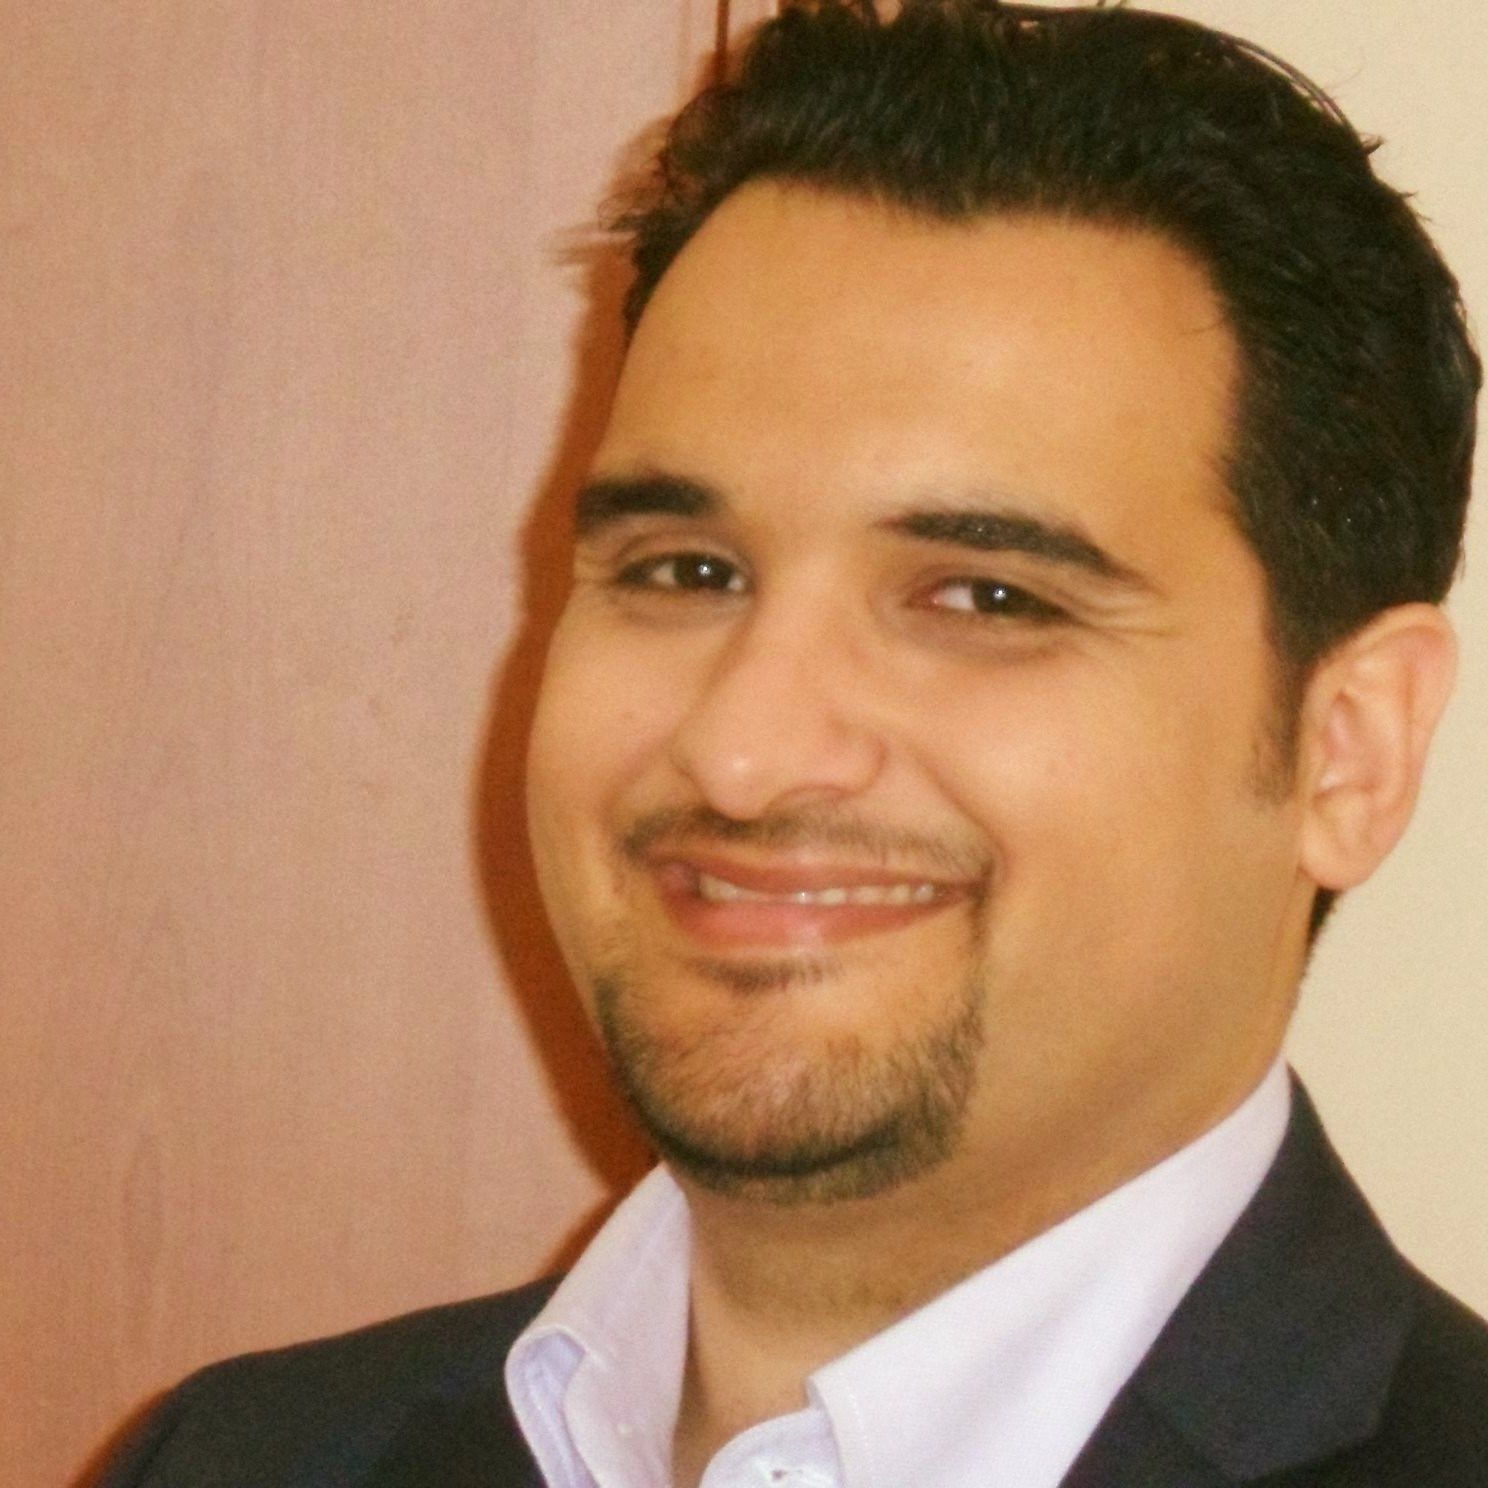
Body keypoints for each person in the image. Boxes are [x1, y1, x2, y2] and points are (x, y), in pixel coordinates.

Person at [100, 3, 1488, 1485]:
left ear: (1346, 752)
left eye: (985, 597)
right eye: (685, 571)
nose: (743, 753)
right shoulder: (234, 1460)